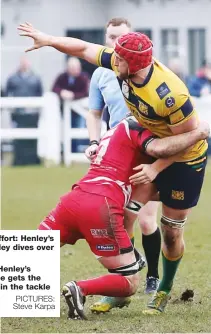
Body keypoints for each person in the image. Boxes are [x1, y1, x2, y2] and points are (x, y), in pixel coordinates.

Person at [18, 23, 209, 315]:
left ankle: (163, 291)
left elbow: (186, 140)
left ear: (131, 64)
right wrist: (49, 39)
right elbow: (83, 49)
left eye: (117, 58)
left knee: (170, 232)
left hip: (183, 159)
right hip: (151, 147)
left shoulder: (171, 94)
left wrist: (156, 169)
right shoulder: (122, 63)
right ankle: (120, 287)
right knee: (125, 215)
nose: (111, 61)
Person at [38, 115, 209, 320]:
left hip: (72, 199)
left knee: (33, 248)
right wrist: (199, 132)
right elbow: (158, 149)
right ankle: (80, 288)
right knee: (129, 282)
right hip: (100, 207)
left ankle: (13, 296)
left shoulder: (113, 131)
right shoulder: (138, 127)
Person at [86, 18, 160, 313]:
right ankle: (123, 281)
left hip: (146, 150)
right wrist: (93, 143)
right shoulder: (100, 74)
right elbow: (94, 113)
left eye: (120, 37)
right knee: (115, 218)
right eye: (110, 36)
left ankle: (152, 276)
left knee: (144, 219)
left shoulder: (146, 69)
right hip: (116, 154)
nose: (113, 42)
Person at [5, 56, 43, 165]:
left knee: (32, 138)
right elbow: (8, 94)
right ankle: (19, 160)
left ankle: (32, 159)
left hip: (32, 113)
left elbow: (40, 93)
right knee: (18, 137)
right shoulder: (12, 78)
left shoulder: (35, 78)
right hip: (18, 113)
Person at [52, 56, 90, 153]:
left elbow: (85, 92)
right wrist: (62, 92)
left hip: (80, 111)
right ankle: (65, 151)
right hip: (63, 111)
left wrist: (73, 96)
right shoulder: (62, 77)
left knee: (79, 129)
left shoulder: (84, 78)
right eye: (73, 68)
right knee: (63, 131)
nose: (76, 70)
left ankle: (75, 150)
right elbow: (54, 88)